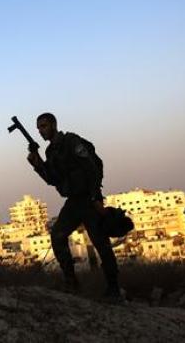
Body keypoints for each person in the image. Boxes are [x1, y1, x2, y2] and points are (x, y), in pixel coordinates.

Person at [26, 113, 121, 301]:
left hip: (89, 198)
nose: (41, 131)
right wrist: (37, 162)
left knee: (100, 242)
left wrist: (95, 197)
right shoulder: (51, 152)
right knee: (58, 235)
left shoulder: (71, 141)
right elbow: (52, 179)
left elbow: (92, 168)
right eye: (38, 128)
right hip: (74, 202)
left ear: (53, 125)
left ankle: (114, 289)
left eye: (44, 126)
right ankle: (71, 283)